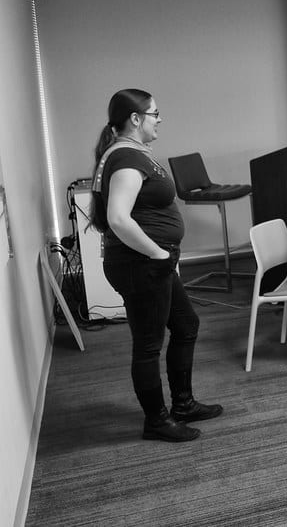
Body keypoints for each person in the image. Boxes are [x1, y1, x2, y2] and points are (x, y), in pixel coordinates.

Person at [90, 89, 223, 443]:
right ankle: (156, 420)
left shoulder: (131, 154)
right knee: (148, 344)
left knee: (186, 324)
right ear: (135, 119)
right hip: (142, 265)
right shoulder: (126, 159)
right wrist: (159, 254)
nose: (159, 119)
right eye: (154, 114)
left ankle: (182, 404)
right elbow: (118, 218)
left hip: (150, 263)